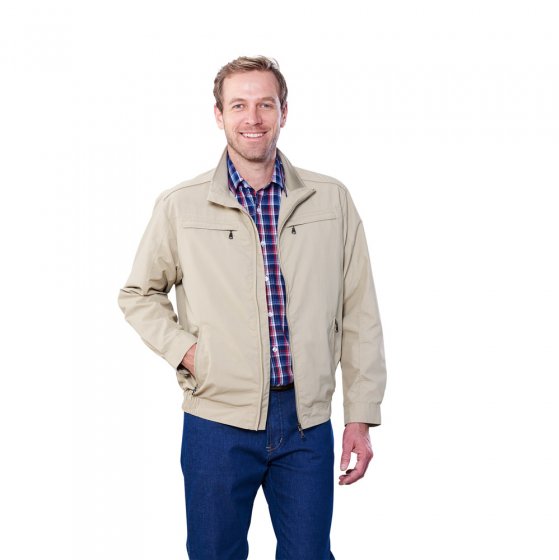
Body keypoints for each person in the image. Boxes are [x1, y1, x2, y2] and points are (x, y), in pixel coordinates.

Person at [118, 55, 387, 560]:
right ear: (218, 114)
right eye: (239, 105)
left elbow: (360, 314)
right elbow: (138, 294)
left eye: (265, 104)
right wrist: (190, 353)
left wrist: (361, 415)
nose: (253, 118)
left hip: (306, 422)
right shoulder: (181, 206)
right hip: (216, 421)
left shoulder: (331, 201)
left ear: (284, 111)